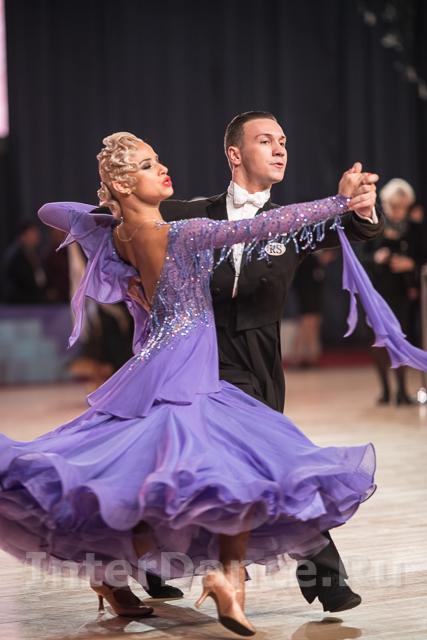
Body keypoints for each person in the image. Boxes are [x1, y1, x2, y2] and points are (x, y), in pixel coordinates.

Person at [0, 132, 377, 637]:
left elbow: (53, 210)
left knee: (193, 486)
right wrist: (339, 202)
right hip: (186, 378)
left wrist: (107, 217)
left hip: (159, 369)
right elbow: (269, 224)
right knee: (231, 478)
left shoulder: (120, 236)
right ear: (121, 182)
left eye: (158, 160)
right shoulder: (181, 233)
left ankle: (142, 578)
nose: (162, 169)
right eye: (148, 165)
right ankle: (212, 578)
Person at [155, 111, 382, 611]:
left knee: (221, 472)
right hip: (201, 359)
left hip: (261, 363)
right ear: (234, 154)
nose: (280, 149)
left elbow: (351, 227)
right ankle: (327, 579)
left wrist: (360, 207)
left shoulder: (292, 223)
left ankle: (154, 568)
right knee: (269, 466)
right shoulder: (190, 213)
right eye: (265, 141)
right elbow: (129, 217)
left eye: (283, 141)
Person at [359, 179, 427, 404]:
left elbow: (422, 258)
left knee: (398, 338)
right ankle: (386, 390)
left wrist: (410, 265)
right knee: (377, 339)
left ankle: (402, 391)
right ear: (385, 203)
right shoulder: (373, 225)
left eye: (402, 207)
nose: (397, 211)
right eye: (393, 206)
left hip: (401, 293)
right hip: (374, 292)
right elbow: (359, 257)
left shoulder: (414, 229)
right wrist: (377, 258)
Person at [3, 221, 48, 303]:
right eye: (33, 232)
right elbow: (24, 280)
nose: (37, 235)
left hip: (34, 300)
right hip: (20, 302)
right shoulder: (16, 255)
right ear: (23, 235)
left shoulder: (34, 253)